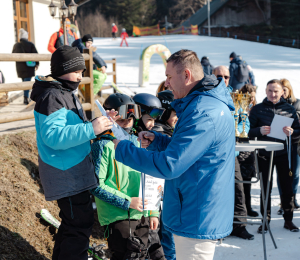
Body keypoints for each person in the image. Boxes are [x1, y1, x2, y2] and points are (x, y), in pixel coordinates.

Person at [112, 49, 235, 260]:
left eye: (169, 77)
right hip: (194, 206)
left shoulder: (202, 112)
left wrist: (122, 148)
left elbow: (170, 165)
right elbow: (194, 152)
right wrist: (159, 141)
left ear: (186, 75)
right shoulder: (202, 105)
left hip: (196, 213)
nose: (166, 83)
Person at [30, 45, 116, 260]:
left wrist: (100, 125)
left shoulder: (65, 92)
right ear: (63, 69)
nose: (81, 75)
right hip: (64, 171)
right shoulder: (53, 96)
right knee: (79, 223)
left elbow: (73, 127)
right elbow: (54, 136)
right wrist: (91, 128)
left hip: (73, 169)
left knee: (73, 224)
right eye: (77, 70)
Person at [91, 93, 165, 260]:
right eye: (121, 120)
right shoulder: (104, 144)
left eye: (129, 120)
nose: (125, 124)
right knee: (127, 255)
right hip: (117, 215)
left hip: (142, 212)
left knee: (143, 254)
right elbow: (95, 185)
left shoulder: (138, 142)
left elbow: (151, 177)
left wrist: (153, 211)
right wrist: (127, 201)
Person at [249, 79, 300, 233]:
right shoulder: (257, 109)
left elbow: (298, 131)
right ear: (265, 91)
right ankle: (265, 221)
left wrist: (292, 132)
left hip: (284, 154)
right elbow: (247, 131)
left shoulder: (289, 109)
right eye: (270, 90)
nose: (273, 94)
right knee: (266, 188)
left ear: (282, 92)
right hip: (264, 154)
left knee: (287, 188)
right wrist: (259, 131)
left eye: (276, 91)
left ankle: (288, 220)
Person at [213, 66, 254, 240]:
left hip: (232, 152)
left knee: (238, 188)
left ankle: (239, 225)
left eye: (226, 77)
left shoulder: (236, 98)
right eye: (219, 76)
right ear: (212, 77)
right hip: (213, 153)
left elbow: (244, 124)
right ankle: (217, 226)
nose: (223, 79)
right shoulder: (207, 95)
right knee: (215, 190)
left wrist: (235, 131)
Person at [152, 90, 177, 260]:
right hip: (161, 196)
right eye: (175, 114)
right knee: (167, 238)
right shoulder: (159, 134)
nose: (177, 118)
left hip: (165, 196)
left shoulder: (167, 131)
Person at [277, 78, 300, 214]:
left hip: (295, 143)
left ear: (289, 90)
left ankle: (293, 198)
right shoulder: (276, 104)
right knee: (282, 175)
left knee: (295, 174)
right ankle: (283, 201)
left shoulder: (297, 104)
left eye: (284, 90)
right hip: (281, 144)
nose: (282, 93)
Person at [238, 84, 259, 217]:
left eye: (252, 97)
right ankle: (242, 209)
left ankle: (248, 207)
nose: (251, 100)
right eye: (248, 97)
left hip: (250, 148)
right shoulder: (238, 108)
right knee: (240, 182)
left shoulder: (254, 108)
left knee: (248, 181)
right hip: (240, 147)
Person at [12, 28, 39, 105]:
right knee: (27, 83)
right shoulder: (30, 44)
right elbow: (36, 54)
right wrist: (37, 64)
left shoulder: (16, 45)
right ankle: (26, 98)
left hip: (20, 68)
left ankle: (25, 97)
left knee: (24, 82)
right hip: (29, 67)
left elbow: (12, 55)